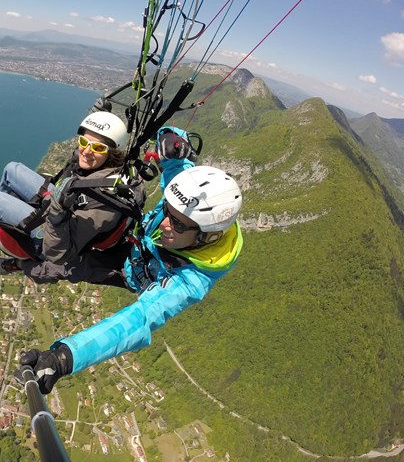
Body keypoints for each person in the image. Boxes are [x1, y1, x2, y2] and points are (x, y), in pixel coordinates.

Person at [18, 126, 243, 394]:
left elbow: (140, 319)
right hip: (133, 241)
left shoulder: (192, 279)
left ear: (206, 237)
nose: (166, 224)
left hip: (128, 272)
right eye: (168, 211)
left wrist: (65, 358)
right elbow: (177, 164)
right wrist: (171, 139)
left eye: (180, 225)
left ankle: (22, 265)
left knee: (69, 268)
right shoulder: (188, 203)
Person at [0, 111, 144, 279]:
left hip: (52, 234)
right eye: (84, 142)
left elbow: (58, 252)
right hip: (64, 205)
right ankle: (0, 196)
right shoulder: (106, 171)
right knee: (11, 169)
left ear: (113, 152)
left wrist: (58, 212)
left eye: (98, 147)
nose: (86, 151)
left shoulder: (104, 204)